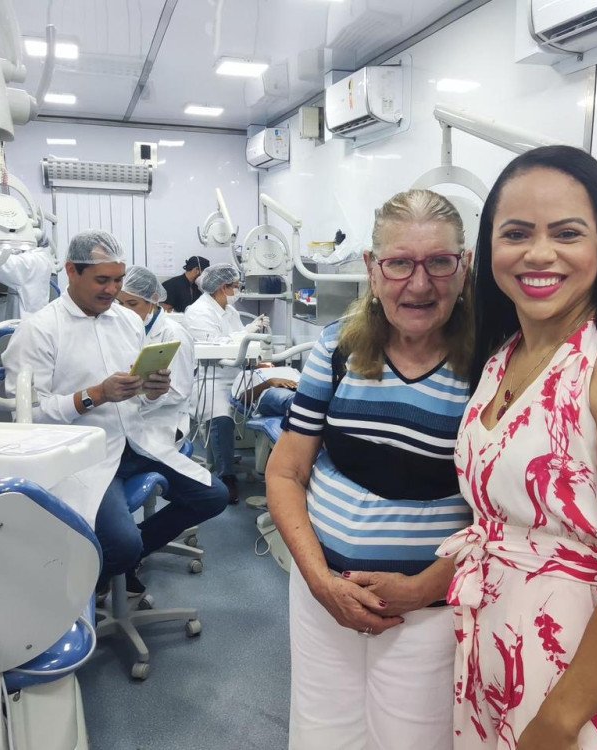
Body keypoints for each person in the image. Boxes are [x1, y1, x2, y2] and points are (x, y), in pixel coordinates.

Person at [438, 146, 597, 749]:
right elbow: (502, 528)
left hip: (586, 688)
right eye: (517, 233)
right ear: (489, 249)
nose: (539, 253)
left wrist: (558, 721)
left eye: (567, 233)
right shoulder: (505, 356)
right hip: (497, 660)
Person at [265, 189, 475, 750]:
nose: (420, 283)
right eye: (400, 263)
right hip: (321, 596)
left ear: (465, 267)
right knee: (322, 735)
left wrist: (424, 587)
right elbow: (285, 473)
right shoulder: (338, 349)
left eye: (439, 262)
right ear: (372, 270)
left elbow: (502, 519)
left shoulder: (491, 368)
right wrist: (317, 579)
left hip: (427, 614)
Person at [2, 231, 228, 596]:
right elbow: (30, 420)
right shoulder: (39, 330)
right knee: (122, 545)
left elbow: (139, 399)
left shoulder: (126, 321)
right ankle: (78, 586)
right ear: (71, 271)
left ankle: (113, 560)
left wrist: (154, 391)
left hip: (134, 443)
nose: (112, 290)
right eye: (102, 280)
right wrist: (94, 396)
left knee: (213, 496)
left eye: (118, 280)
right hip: (83, 454)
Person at [183, 263, 268, 503]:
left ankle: (249, 462)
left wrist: (252, 339)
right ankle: (226, 476)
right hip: (210, 378)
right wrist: (248, 333)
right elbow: (216, 347)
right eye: (236, 286)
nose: (238, 290)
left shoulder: (229, 311)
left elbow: (240, 344)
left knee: (265, 399)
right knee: (221, 417)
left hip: (235, 375)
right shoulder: (198, 312)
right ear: (223, 287)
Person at [116, 265, 198, 452]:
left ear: (152, 300)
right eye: (119, 304)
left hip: (161, 420)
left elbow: (179, 391)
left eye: (132, 304)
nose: (124, 310)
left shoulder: (174, 335)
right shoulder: (123, 329)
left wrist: (143, 395)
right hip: (127, 414)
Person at [230, 362, 300, 417]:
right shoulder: (245, 374)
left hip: (296, 388)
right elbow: (243, 398)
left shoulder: (289, 369)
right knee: (292, 399)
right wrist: (269, 382)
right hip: (269, 392)